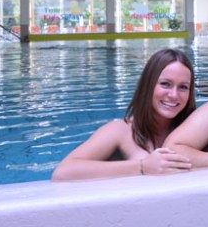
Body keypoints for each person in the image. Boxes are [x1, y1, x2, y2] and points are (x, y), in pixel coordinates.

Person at [51, 48, 196, 181]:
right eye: (165, 84)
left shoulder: (193, 131)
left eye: (183, 87)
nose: (174, 95)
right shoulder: (120, 131)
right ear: (148, 85)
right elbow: (62, 172)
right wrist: (142, 166)